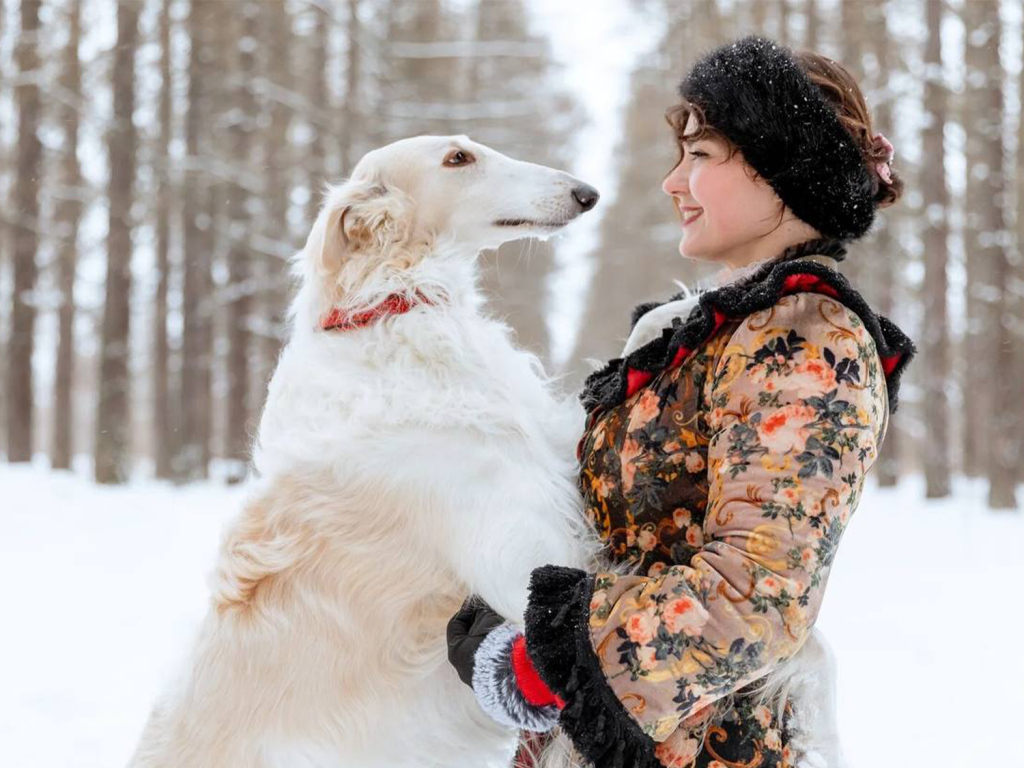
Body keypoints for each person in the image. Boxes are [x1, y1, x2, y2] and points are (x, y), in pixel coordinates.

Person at [446, 35, 916, 768]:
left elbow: (757, 596)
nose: (673, 182)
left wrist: (543, 662)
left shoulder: (804, 342)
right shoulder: (713, 336)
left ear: (778, 167)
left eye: (700, 155)